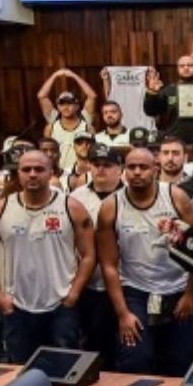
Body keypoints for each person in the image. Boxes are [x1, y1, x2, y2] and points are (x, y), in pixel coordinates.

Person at [0, 150, 96, 364]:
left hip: (61, 304)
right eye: (26, 169)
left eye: (39, 169)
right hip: (16, 305)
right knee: (22, 372)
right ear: (18, 173)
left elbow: (88, 255)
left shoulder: (72, 207)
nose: (32, 174)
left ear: (50, 172)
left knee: (65, 369)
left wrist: (74, 293)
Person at [97, 147, 193, 376]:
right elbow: (108, 265)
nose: (137, 172)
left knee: (181, 364)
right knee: (135, 361)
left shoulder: (175, 197)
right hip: (136, 291)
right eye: (131, 167)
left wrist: (191, 293)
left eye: (143, 167)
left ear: (155, 169)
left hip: (178, 288)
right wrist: (122, 313)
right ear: (124, 171)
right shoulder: (111, 207)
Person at [68, 144, 125, 366]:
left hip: (124, 282)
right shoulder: (75, 199)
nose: (101, 170)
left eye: (108, 165)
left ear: (120, 169)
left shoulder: (130, 195)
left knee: (126, 345)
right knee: (94, 346)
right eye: (96, 164)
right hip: (90, 284)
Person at [143, 57, 193, 145]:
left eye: (190, 65)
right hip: (174, 141)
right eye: (182, 66)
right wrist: (152, 92)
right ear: (177, 69)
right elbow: (150, 111)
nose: (186, 68)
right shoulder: (168, 91)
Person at [38, 68, 98, 172]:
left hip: (81, 171)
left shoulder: (85, 121)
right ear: (58, 106)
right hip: (58, 171)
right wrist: (55, 75)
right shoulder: (52, 123)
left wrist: (73, 76)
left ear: (77, 106)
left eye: (70, 103)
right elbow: (41, 96)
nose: (66, 107)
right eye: (62, 104)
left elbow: (92, 96)